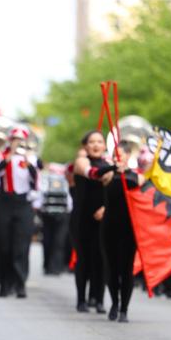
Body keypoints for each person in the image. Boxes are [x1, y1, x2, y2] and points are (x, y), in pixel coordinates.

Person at [100, 143, 145, 322]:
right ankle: (114, 303)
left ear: (127, 156)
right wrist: (114, 169)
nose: (118, 158)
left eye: (121, 155)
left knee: (126, 269)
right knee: (111, 268)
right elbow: (102, 176)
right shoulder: (109, 174)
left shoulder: (135, 176)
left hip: (128, 228)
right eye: (114, 155)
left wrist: (126, 172)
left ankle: (124, 308)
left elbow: (139, 185)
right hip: (109, 225)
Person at [0, 127, 38, 298]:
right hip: (5, 202)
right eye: (15, 139)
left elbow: (36, 180)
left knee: (22, 245)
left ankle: (20, 284)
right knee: (5, 245)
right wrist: (10, 154)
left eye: (21, 139)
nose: (18, 142)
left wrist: (28, 159)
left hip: (23, 203)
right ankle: (5, 284)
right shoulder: (0, 156)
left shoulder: (31, 158)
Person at [71, 131, 111, 313]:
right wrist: (113, 169)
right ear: (85, 146)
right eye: (92, 142)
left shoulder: (109, 164)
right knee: (84, 259)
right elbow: (93, 174)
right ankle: (81, 299)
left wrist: (106, 209)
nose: (95, 145)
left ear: (104, 145)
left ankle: (99, 299)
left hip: (103, 218)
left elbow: (114, 190)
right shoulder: (81, 163)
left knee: (101, 260)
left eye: (99, 142)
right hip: (82, 218)